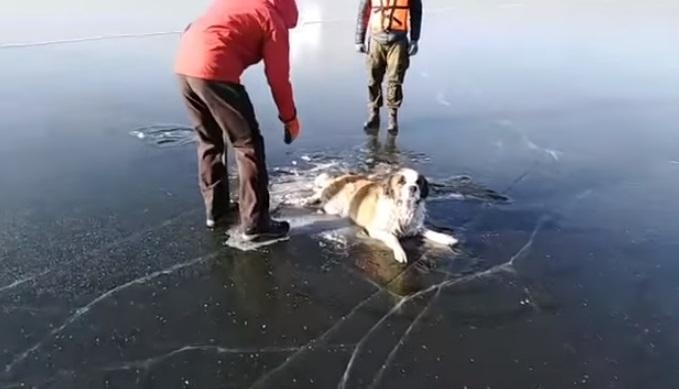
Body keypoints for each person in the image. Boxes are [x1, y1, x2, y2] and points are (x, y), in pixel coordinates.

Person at [175, 0, 301, 242]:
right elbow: (278, 79)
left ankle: (217, 210)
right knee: (248, 144)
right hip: (214, 70)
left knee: (209, 141)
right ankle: (256, 223)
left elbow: (196, 27)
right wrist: (290, 118)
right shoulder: (272, 19)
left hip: (184, 66)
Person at [355, 0, 422, 135]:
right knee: (373, 80)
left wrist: (415, 39)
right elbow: (363, 13)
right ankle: (373, 114)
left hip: (398, 40)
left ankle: (392, 117)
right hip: (376, 40)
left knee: (395, 80)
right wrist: (359, 40)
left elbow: (416, 12)